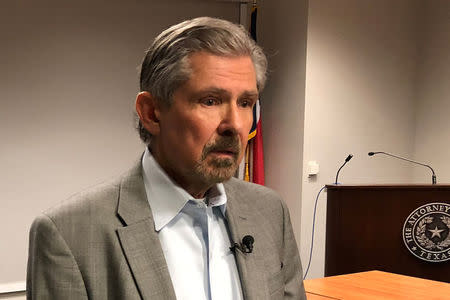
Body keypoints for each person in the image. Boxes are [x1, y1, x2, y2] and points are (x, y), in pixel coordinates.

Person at [27, 17, 306, 300]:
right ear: (151, 112)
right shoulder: (68, 235)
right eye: (210, 100)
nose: (234, 124)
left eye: (245, 103)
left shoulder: (270, 211)